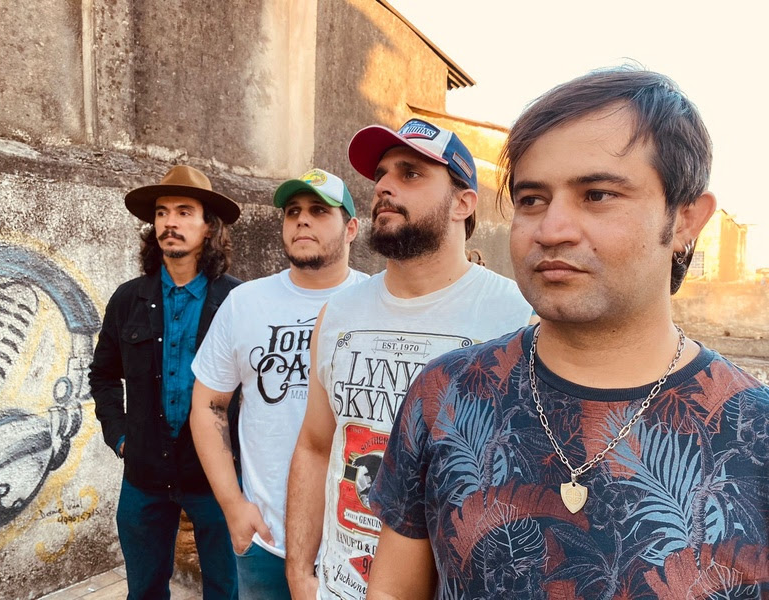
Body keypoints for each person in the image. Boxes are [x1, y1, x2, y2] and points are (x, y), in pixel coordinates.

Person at [367, 67, 769, 599]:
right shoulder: (444, 394)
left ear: (686, 220)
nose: (552, 229)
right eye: (532, 199)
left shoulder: (754, 433)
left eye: (597, 195)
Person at [284, 119, 533, 600]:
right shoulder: (338, 314)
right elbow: (315, 446)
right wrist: (299, 573)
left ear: (463, 203)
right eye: (381, 175)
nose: (383, 186)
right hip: (340, 588)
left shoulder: (517, 317)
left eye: (411, 173)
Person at [189, 168, 367, 599]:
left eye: (319, 211)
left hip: (357, 541)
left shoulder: (377, 303)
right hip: (265, 538)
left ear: (351, 229)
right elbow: (208, 405)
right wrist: (233, 506)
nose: (301, 219)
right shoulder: (245, 303)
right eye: (292, 211)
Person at [89, 165, 241, 600]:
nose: (169, 222)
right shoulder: (128, 299)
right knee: (144, 591)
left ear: (209, 227)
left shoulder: (237, 300)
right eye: (161, 212)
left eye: (183, 211)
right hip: (144, 474)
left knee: (226, 589)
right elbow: (103, 375)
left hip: (215, 476)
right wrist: (120, 437)